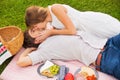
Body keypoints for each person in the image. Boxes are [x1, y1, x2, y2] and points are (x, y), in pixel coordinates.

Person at [17, 29, 120, 79]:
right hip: (105, 58)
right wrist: (30, 49)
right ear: (35, 40)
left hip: (108, 42)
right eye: (33, 31)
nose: (37, 29)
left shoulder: (51, 32)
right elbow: (21, 62)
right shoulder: (43, 51)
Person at [25, 4, 120, 44]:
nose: (37, 29)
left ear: (39, 19)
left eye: (35, 26)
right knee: (112, 43)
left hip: (91, 24)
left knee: (115, 33)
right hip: (85, 30)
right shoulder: (48, 21)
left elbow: (72, 30)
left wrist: (51, 32)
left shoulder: (55, 9)